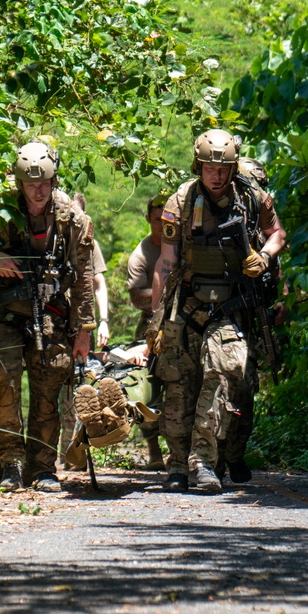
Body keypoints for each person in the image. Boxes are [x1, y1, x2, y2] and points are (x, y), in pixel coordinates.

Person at [148, 129, 286, 492]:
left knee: (222, 374)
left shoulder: (252, 195)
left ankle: (203, 463)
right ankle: (178, 465)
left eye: (224, 168)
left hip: (232, 306)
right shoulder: (182, 199)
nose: (217, 175)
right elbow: (165, 264)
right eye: (210, 167)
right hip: (189, 303)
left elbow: (277, 234)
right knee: (179, 388)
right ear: (199, 165)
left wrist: (265, 256)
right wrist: (156, 322)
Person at [0, 140, 95, 492]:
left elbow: (84, 275)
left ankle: (42, 467)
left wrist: (84, 331)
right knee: (4, 379)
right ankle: (10, 463)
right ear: (19, 184)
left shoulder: (72, 218)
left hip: (52, 313)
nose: (38, 191)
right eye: (31, 185)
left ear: (54, 181)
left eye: (44, 183)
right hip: (6, 312)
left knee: (49, 383)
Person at [217, 157, 278, 484]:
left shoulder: (263, 225)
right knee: (218, 385)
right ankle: (215, 454)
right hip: (225, 311)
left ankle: (234, 455)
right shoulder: (222, 217)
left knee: (244, 389)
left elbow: (278, 260)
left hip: (254, 315)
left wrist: (278, 301)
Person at [58, 192, 109, 471]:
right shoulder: (51, 239)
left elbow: (98, 283)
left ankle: (71, 451)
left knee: (75, 390)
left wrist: (103, 321)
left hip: (79, 323)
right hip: (53, 321)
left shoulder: (89, 242)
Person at [126, 193, 168, 470]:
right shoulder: (141, 255)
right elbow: (137, 296)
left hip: (183, 319)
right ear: (148, 219)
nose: (162, 223)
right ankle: (153, 449)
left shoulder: (183, 245)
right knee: (148, 384)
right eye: (157, 219)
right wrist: (165, 295)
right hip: (151, 323)